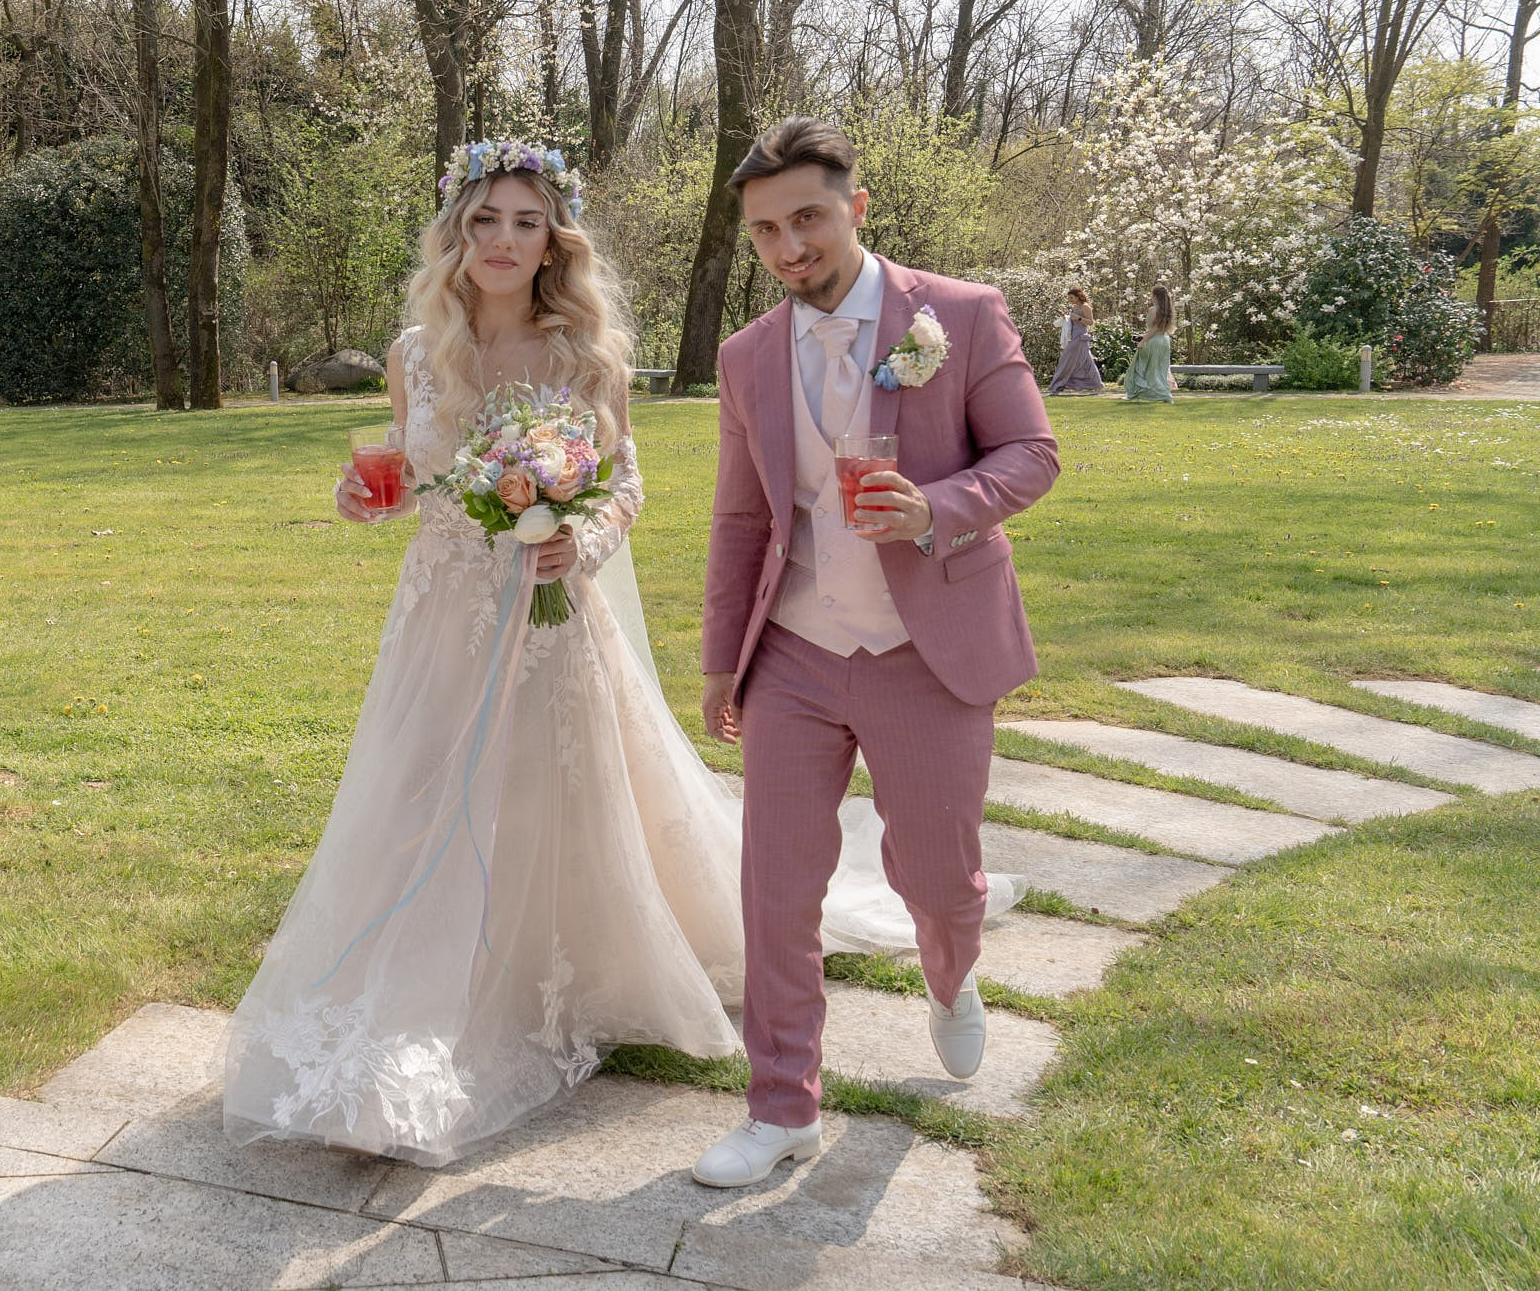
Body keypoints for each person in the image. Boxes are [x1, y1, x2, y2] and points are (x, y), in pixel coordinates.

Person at [220, 139, 1022, 1167]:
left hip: (553, 612)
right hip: (440, 620)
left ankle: (571, 974)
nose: (502, 242)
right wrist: (356, 500)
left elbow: (625, 484)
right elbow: (414, 475)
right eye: (482, 221)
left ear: (553, 239)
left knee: (556, 802)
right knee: (418, 801)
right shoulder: (415, 349)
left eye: (524, 222)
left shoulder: (581, 348)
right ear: (454, 235)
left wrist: (582, 540)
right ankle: (438, 986)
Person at [694, 117, 1059, 1189]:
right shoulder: (744, 355)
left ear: (854, 209)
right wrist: (724, 661)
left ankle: (951, 974)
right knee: (774, 884)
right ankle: (779, 1109)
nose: (787, 247)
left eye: (805, 218)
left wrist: (935, 508)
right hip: (795, 652)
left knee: (938, 878)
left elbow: (1030, 453)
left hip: (925, 649)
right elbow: (737, 522)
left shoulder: (957, 314)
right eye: (765, 230)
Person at [1121, 286, 1175, 402]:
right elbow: (1158, 329)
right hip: (1164, 341)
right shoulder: (1168, 311)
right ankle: (1162, 393)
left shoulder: (1153, 310)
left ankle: (1139, 393)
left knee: (1140, 368)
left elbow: (1154, 328)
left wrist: (1143, 340)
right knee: (1159, 369)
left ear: (1155, 296)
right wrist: (1143, 336)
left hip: (1153, 342)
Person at [1047, 287, 1105, 395]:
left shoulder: (1085, 307)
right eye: (1069, 298)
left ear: (1078, 296)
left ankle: (1058, 385)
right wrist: (1065, 317)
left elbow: (1091, 322)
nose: (1070, 300)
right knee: (1085, 361)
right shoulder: (1074, 307)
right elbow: (1072, 321)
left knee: (1066, 359)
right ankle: (1094, 384)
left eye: (1071, 297)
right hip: (1073, 337)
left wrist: (1078, 318)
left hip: (1080, 337)